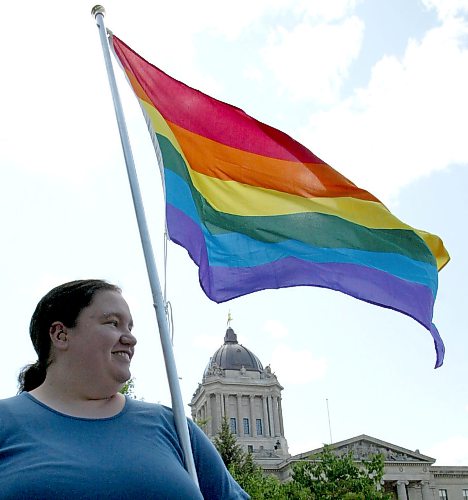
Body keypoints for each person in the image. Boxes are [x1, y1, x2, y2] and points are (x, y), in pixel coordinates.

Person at [0, 279, 249, 499]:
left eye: (129, 327)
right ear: (60, 334)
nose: (130, 338)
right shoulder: (5, 421)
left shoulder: (172, 426)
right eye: (113, 323)